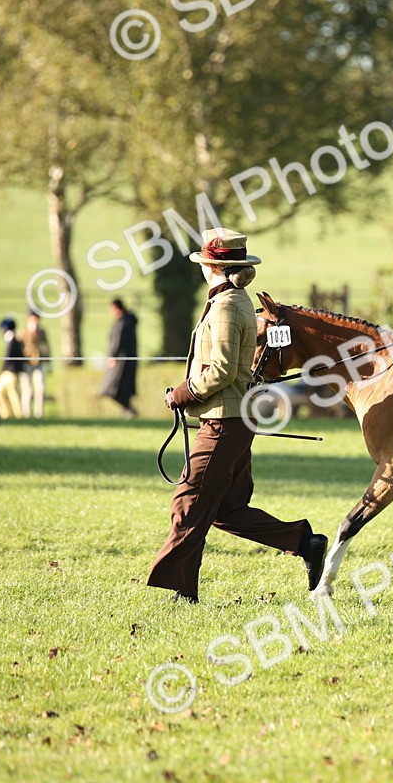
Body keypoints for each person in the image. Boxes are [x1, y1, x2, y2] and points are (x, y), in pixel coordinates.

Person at [148, 228, 327, 604]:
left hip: (224, 421)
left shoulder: (228, 304)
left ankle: (180, 590)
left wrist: (183, 392)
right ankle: (303, 542)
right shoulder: (230, 300)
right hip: (230, 418)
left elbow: (225, 369)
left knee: (188, 503)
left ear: (211, 266)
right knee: (226, 509)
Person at [101, 299, 138, 418]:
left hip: (121, 361)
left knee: (112, 388)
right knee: (121, 389)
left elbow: (117, 341)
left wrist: (112, 356)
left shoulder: (123, 322)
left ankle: (129, 410)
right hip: (125, 360)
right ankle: (128, 411)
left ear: (116, 308)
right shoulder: (126, 321)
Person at [19, 310, 50, 418]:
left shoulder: (41, 332)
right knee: (27, 390)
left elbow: (46, 347)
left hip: (39, 363)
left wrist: (48, 362)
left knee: (40, 388)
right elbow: (19, 347)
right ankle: (26, 413)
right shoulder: (23, 331)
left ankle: (39, 414)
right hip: (26, 363)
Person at [0, 317, 25, 419]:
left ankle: (14, 415)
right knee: (7, 393)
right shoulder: (14, 340)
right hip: (9, 372)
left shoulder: (12, 340)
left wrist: (1, 370)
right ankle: (8, 414)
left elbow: (7, 357)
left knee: (8, 393)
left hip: (10, 372)